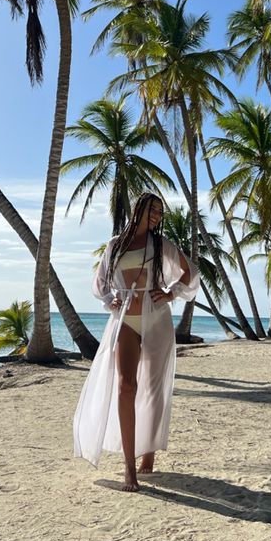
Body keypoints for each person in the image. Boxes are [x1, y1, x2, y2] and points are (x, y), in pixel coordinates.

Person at [73, 192, 199, 491]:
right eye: (152, 209)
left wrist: (171, 293)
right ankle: (129, 468)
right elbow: (99, 282)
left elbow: (190, 272)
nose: (156, 215)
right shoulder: (115, 244)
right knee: (126, 386)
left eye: (160, 211)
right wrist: (111, 298)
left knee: (153, 391)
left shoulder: (161, 244)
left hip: (156, 318)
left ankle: (148, 455)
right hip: (125, 320)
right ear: (137, 209)